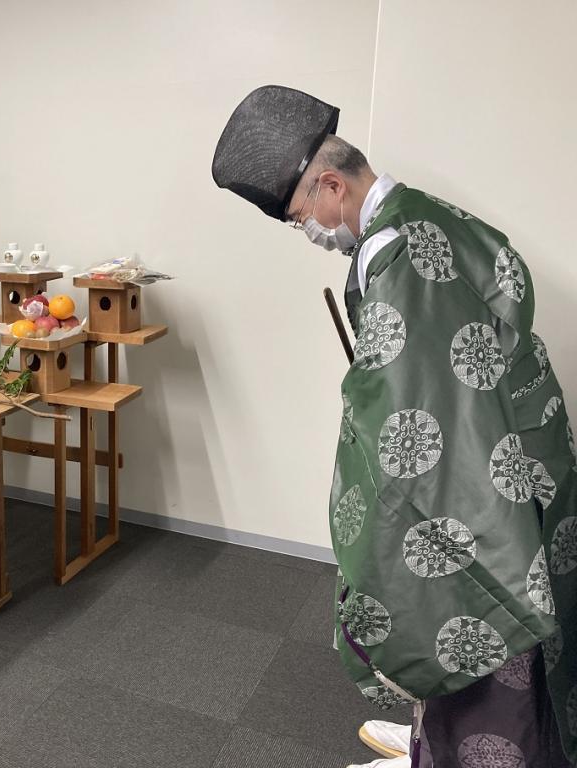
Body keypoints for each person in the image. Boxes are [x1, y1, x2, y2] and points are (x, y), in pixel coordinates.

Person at [212, 85, 576, 767]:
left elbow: (409, 407)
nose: (309, 234)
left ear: (329, 186)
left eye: (301, 219)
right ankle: (430, 741)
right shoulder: (426, 213)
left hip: (478, 470)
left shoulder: (402, 255)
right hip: (520, 442)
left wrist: (364, 436)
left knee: (461, 599)